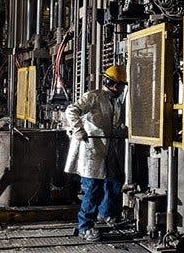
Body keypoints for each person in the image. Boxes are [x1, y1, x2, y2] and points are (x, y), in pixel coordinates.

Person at [64, 65, 128, 242]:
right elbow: (71, 110)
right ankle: (85, 227)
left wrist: (122, 131)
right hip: (91, 150)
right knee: (93, 190)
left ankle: (106, 214)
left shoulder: (115, 102)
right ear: (111, 83)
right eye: (120, 85)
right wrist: (79, 131)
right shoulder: (93, 97)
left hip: (106, 150)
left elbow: (112, 125)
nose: (121, 88)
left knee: (115, 181)